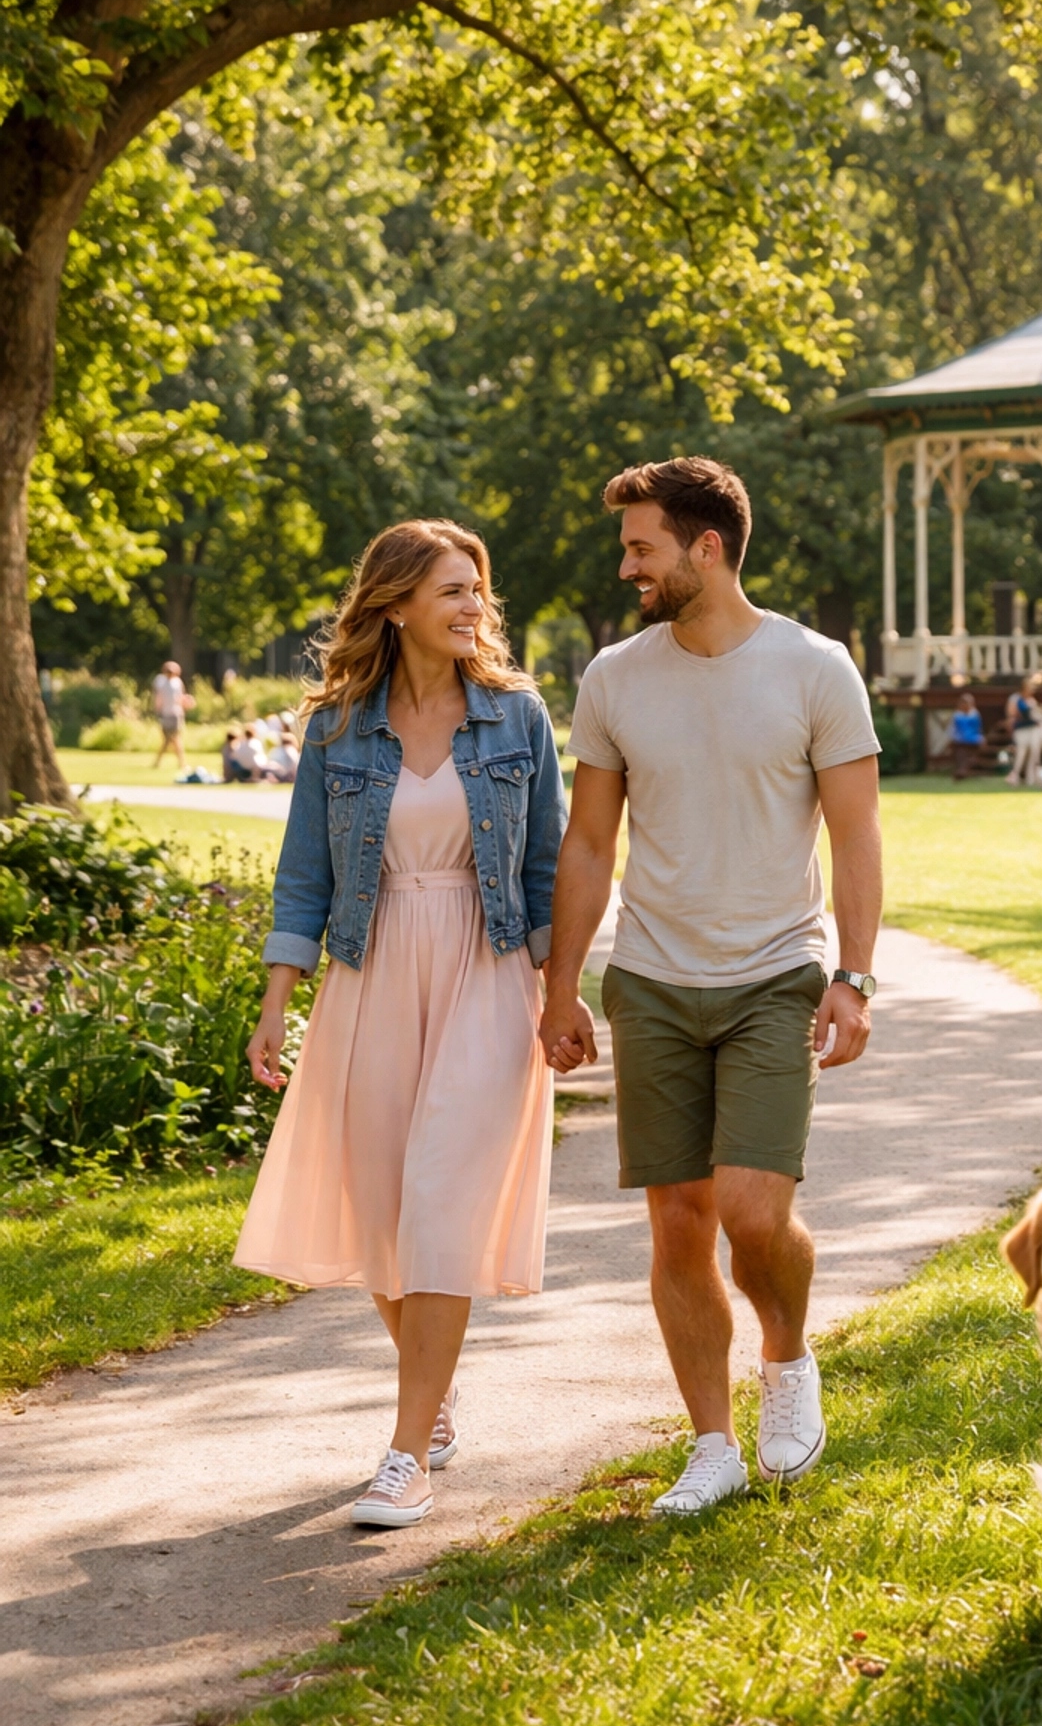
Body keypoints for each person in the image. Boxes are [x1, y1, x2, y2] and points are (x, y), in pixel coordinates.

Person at [539, 456, 882, 1519]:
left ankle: (786, 1357)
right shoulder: (614, 678)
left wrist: (854, 976)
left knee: (750, 1210)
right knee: (679, 1222)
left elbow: (858, 835)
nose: (627, 567)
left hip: (775, 973)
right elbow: (589, 844)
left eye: (642, 547)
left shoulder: (815, 668)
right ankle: (711, 1444)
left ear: (707, 546)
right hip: (652, 979)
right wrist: (562, 985)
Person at [237, 519, 565, 1529]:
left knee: (441, 1205)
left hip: (486, 966)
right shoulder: (339, 726)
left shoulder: (517, 717)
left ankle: (405, 1454)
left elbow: (547, 870)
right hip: (370, 973)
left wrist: (566, 993)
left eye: (478, 589)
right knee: (382, 1211)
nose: (475, 607)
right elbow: (305, 873)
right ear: (396, 607)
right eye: (453, 591)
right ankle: (437, 1390)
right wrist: (277, 1002)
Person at [1005, 673, 1042, 787]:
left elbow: (1037, 715)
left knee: (1033, 754)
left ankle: (1031, 778)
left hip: (1033, 730)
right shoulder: (1015, 698)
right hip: (1021, 730)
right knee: (1020, 754)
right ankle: (1015, 776)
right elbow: (1012, 715)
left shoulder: (1032, 700)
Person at [151, 659, 187, 772]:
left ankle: (180, 763)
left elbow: (180, 697)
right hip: (165, 714)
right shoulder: (159, 681)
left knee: (175, 738)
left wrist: (186, 704)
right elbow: (157, 697)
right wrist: (157, 710)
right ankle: (176, 763)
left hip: (176, 713)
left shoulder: (178, 682)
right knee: (167, 739)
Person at [948, 689, 984, 780]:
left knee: (971, 754)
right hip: (960, 740)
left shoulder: (974, 714)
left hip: (972, 739)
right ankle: (961, 770)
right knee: (961, 753)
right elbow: (954, 729)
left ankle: (963, 770)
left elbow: (977, 728)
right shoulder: (957, 715)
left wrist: (979, 738)